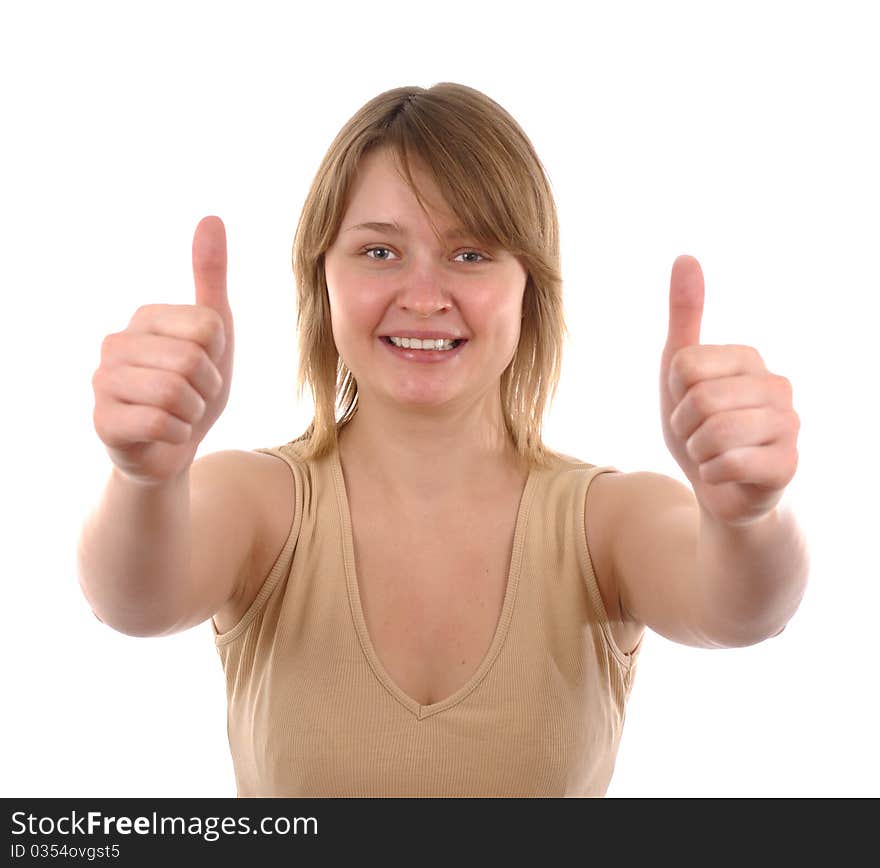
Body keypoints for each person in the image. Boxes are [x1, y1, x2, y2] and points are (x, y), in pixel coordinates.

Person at [78, 82, 807, 797]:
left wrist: (748, 518)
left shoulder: (604, 522)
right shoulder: (262, 504)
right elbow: (133, 602)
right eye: (378, 252)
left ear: (530, 286)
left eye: (471, 254)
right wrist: (144, 481)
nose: (424, 297)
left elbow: (744, 610)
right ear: (320, 279)